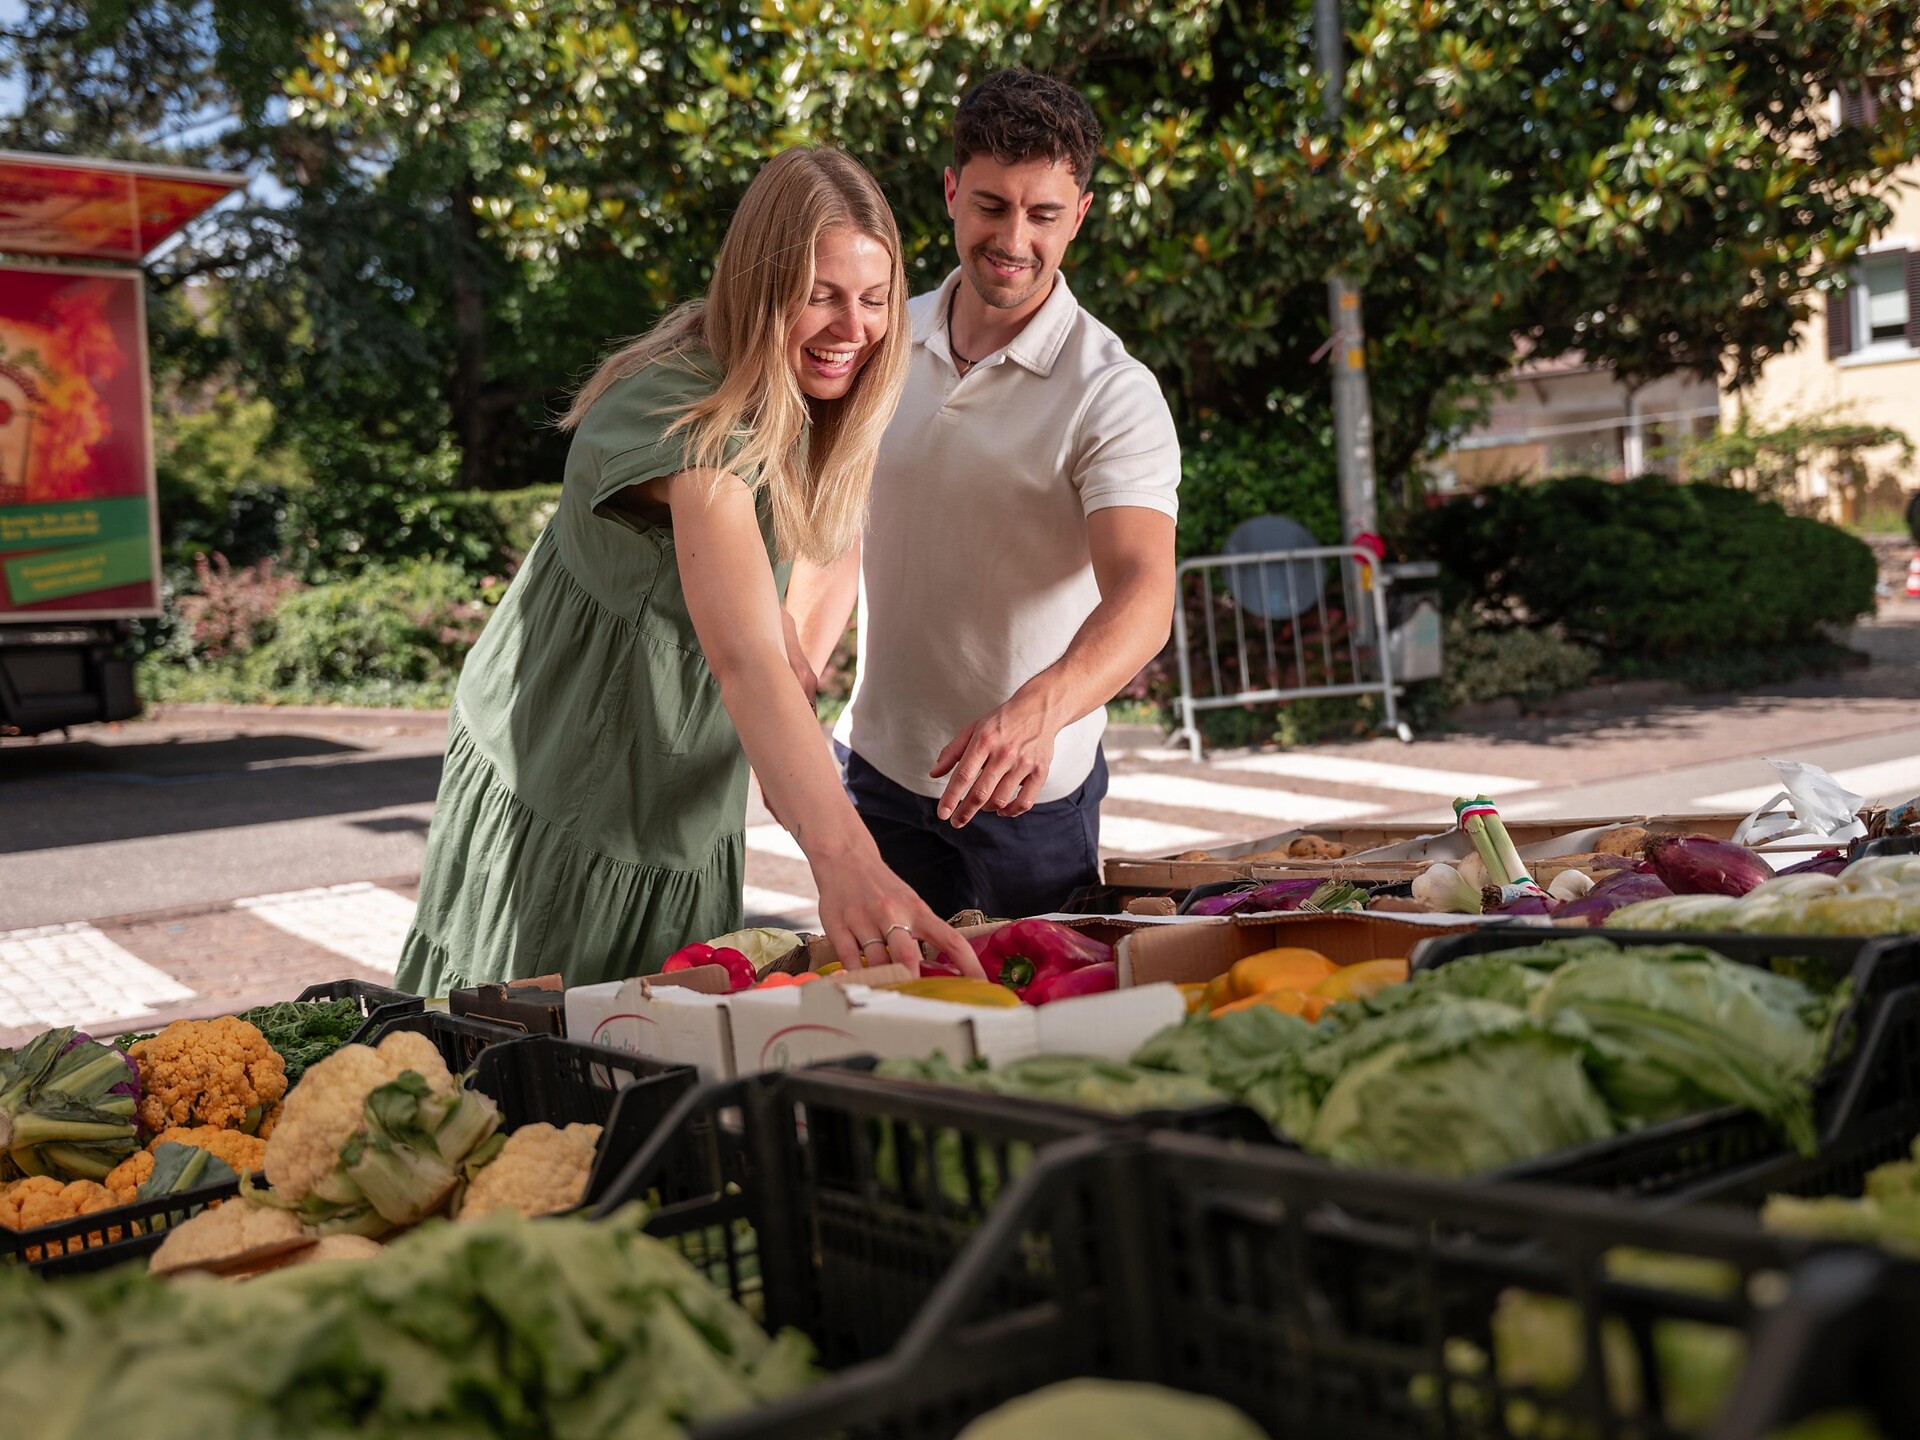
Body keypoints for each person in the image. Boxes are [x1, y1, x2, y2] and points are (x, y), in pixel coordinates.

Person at [397, 148, 980, 996]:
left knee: (661, 1035)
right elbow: (744, 658)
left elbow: (827, 546)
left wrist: (793, 699)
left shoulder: (810, 398)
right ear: (759, 284)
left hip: (684, 787)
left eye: (873, 300)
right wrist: (846, 857)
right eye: (819, 295)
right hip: (571, 778)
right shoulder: (686, 421)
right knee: (528, 1045)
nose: (851, 328)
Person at [787, 70, 1181, 920]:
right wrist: (789, 677)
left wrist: (1039, 709)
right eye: (992, 206)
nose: (1014, 239)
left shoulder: (1111, 390)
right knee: (892, 1023)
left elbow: (1145, 592)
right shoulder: (877, 339)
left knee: (1036, 1025)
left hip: (1027, 795)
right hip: (878, 774)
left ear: (1079, 216)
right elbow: (841, 530)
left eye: (1044, 214)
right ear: (952, 192)